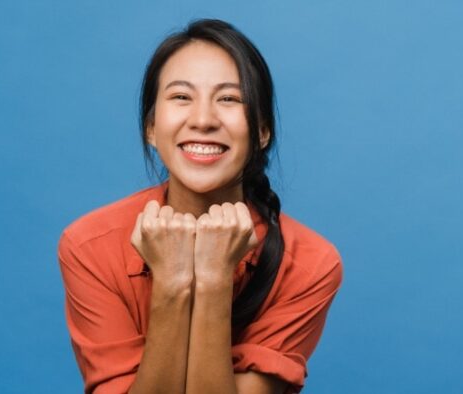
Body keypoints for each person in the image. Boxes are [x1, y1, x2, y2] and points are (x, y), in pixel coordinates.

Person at [57, 19, 343, 394]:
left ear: (262, 131)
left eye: (229, 99)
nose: (204, 120)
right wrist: (173, 282)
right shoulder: (89, 247)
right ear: (151, 127)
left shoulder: (310, 265)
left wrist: (212, 279)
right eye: (180, 97)